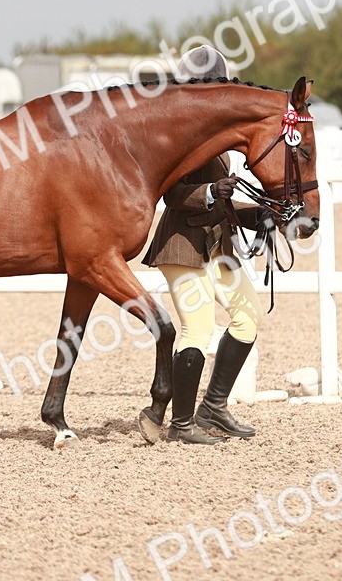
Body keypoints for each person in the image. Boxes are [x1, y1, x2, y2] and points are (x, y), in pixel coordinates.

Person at [138, 46, 268, 446]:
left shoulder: (215, 131)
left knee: (248, 316)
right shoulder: (178, 133)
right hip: (182, 243)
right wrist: (211, 190)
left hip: (216, 243)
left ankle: (213, 406)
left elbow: (223, 199)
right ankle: (181, 423)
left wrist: (258, 214)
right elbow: (172, 194)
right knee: (198, 327)